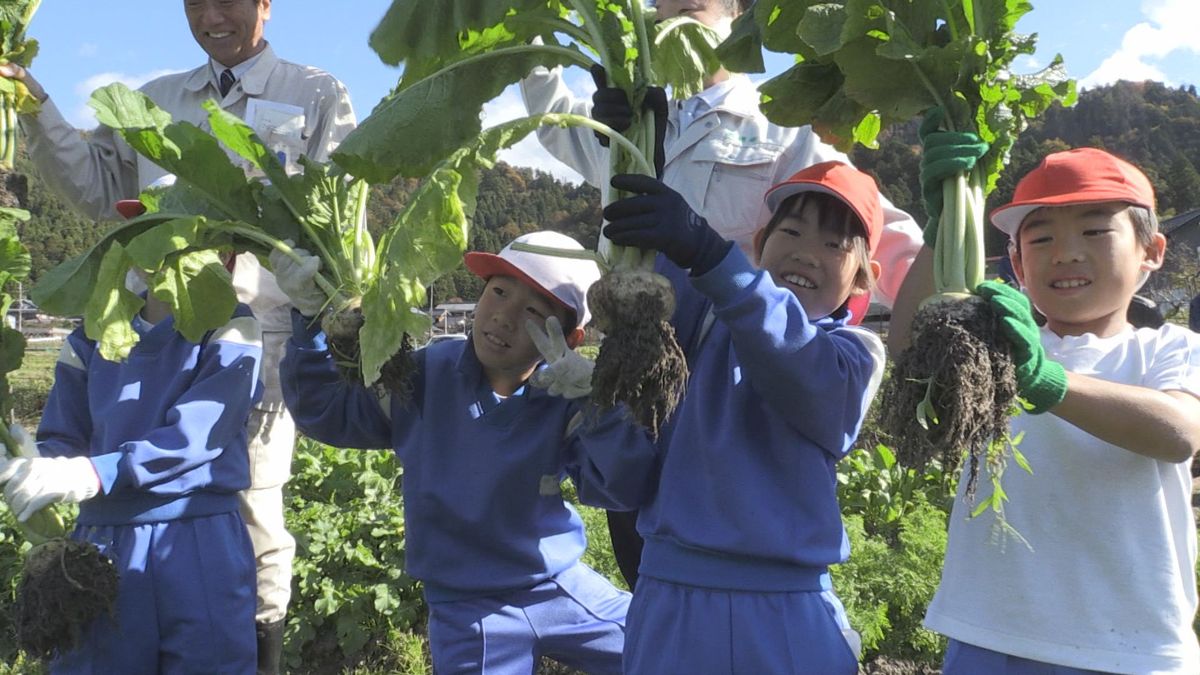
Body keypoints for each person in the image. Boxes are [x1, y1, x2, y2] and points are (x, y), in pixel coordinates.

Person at [0, 2, 356, 668]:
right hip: (149, 326)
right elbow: (96, 186)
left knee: (251, 517)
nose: (213, 16)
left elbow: (329, 223)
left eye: (230, 2)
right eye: (197, 2)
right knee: (131, 487)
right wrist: (35, 104)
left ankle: (249, 654)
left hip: (258, 338)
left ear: (265, 6)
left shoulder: (312, 94)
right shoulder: (155, 100)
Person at [520, 0, 922, 587]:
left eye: (696, 6)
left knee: (724, 559)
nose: (675, 13)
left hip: (728, 393)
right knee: (646, 568)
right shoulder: (631, 119)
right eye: (662, 6)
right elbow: (553, 116)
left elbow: (872, 234)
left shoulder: (779, 124)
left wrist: (933, 320)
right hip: (635, 382)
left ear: (739, 13)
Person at [274, 231, 655, 675]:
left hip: (557, 585)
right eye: (498, 292)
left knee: (666, 646)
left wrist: (600, 403)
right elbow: (328, 414)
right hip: (467, 609)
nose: (505, 317)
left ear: (570, 339)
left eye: (534, 310)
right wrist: (308, 323)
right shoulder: (423, 375)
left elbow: (618, 486)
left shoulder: (565, 394)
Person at [897, 147, 1200, 673]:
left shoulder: (1170, 348)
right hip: (987, 634)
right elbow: (909, 347)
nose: (1065, 253)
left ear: (1151, 250)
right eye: (1041, 239)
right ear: (1016, 262)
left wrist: (1046, 381)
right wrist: (939, 227)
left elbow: (1178, 432)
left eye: (1094, 232)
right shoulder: (994, 350)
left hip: (1130, 648)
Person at [585, 161, 886, 673]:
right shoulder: (700, 318)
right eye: (791, 231)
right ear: (761, 241)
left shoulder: (855, 353)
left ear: (864, 278)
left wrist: (710, 253)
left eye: (835, 245)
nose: (807, 251)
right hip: (670, 600)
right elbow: (649, 280)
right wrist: (642, 154)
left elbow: (800, 365)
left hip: (786, 605)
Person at [0, 255, 264, 673]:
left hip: (198, 535)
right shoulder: (91, 333)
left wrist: (95, 472)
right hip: (100, 540)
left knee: (210, 661)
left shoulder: (231, 323)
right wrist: (35, 462)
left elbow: (197, 435)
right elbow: (64, 433)